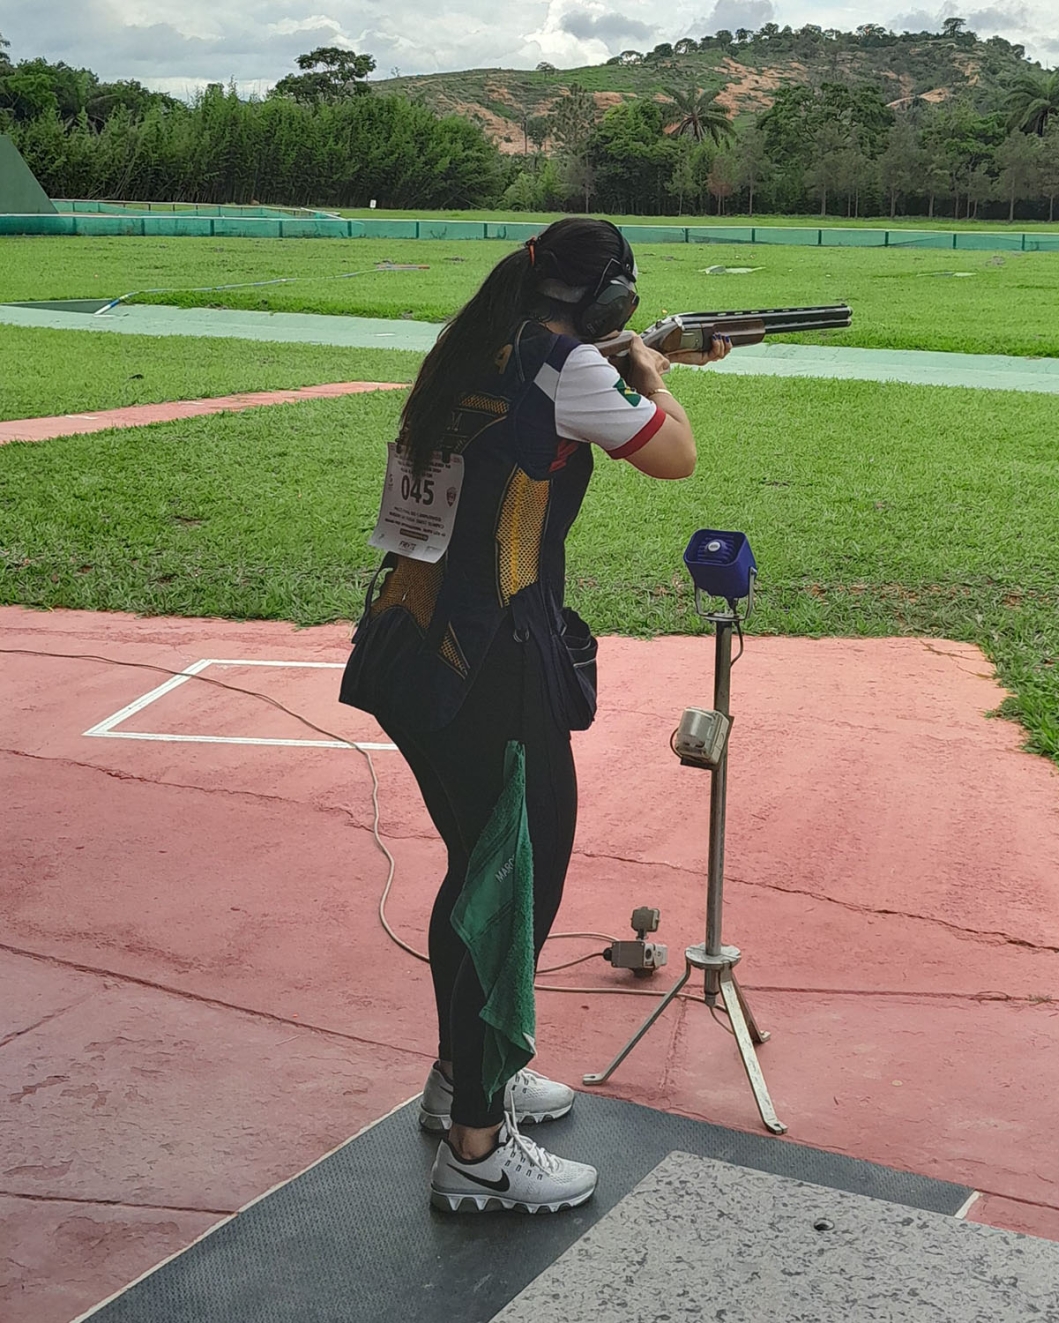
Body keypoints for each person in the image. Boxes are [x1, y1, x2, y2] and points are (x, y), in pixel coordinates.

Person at [340, 217, 729, 1214]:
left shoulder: (468, 346)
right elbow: (676, 455)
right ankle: (478, 1147)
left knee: (477, 874)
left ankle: (462, 1082)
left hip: (411, 647)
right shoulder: (572, 369)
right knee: (513, 890)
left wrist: (623, 365)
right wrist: (654, 377)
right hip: (492, 671)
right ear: (611, 302)